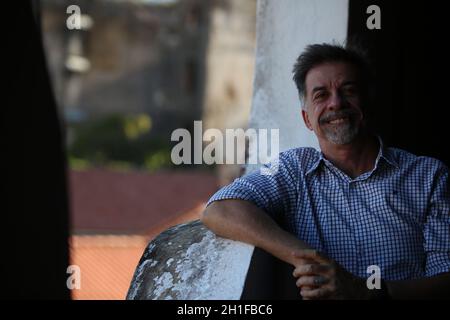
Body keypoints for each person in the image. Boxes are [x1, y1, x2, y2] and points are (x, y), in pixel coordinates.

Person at [201, 43, 450, 299]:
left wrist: (367, 292)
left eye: (348, 90)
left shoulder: (428, 176)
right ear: (307, 119)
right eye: (321, 95)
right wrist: (309, 258)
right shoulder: (293, 169)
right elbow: (219, 209)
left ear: (368, 103)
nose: (336, 103)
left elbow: (445, 278)